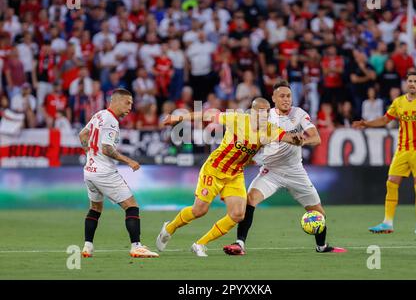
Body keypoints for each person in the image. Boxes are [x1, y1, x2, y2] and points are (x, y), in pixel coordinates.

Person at [155, 97, 303, 257]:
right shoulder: (237, 118)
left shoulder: (270, 129)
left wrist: (298, 139)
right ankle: (169, 228)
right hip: (214, 169)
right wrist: (176, 118)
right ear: (252, 112)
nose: (265, 115)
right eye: (261, 111)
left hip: (235, 174)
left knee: (238, 214)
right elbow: (206, 115)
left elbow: (289, 138)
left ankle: (200, 244)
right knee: (199, 210)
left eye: (267, 111)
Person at [223, 80, 347, 255]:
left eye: (289, 96)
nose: (286, 99)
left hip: (295, 171)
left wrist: (301, 141)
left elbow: (316, 138)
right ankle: (239, 244)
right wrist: (249, 158)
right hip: (271, 170)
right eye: (282, 96)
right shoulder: (266, 116)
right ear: (273, 98)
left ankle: (322, 246)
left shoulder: (299, 114)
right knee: (250, 200)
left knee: (318, 213)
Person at [352, 72, 416, 234]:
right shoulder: (398, 103)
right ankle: (387, 223)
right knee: (391, 182)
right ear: (406, 84)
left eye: (415, 81)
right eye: (410, 81)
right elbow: (385, 120)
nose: (412, 83)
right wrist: (366, 123)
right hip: (402, 150)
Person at [78, 88, 159, 258]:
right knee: (131, 206)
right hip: (104, 172)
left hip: (90, 171)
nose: (130, 107)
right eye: (127, 102)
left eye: (131, 104)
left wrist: (90, 154)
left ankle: (87, 247)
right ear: (114, 101)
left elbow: (83, 134)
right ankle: (136, 246)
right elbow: (107, 149)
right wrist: (129, 161)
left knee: (95, 208)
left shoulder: (99, 115)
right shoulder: (111, 121)